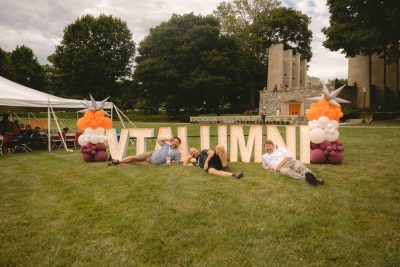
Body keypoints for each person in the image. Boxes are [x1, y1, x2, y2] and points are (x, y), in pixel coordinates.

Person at [111, 137, 182, 165]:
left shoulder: (177, 153)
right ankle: (118, 161)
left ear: (179, 144)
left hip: (152, 162)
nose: (175, 143)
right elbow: (159, 140)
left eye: (177, 142)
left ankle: (119, 163)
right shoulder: (166, 145)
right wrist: (167, 139)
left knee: (134, 163)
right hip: (151, 154)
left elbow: (177, 162)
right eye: (174, 141)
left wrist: (169, 163)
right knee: (135, 158)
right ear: (172, 141)